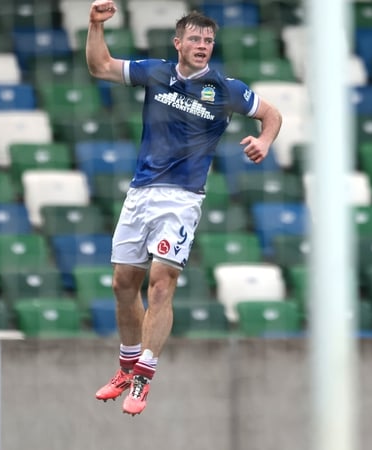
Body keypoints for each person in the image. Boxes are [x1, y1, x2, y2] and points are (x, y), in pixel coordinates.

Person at [86, 0, 283, 416]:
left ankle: (144, 375)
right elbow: (100, 66)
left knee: (161, 281)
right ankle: (125, 365)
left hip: (183, 198)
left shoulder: (227, 89)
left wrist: (264, 141)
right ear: (178, 43)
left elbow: (271, 114)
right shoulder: (155, 72)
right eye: (194, 38)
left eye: (208, 40)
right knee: (123, 283)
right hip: (140, 193)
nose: (202, 45)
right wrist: (95, 25)